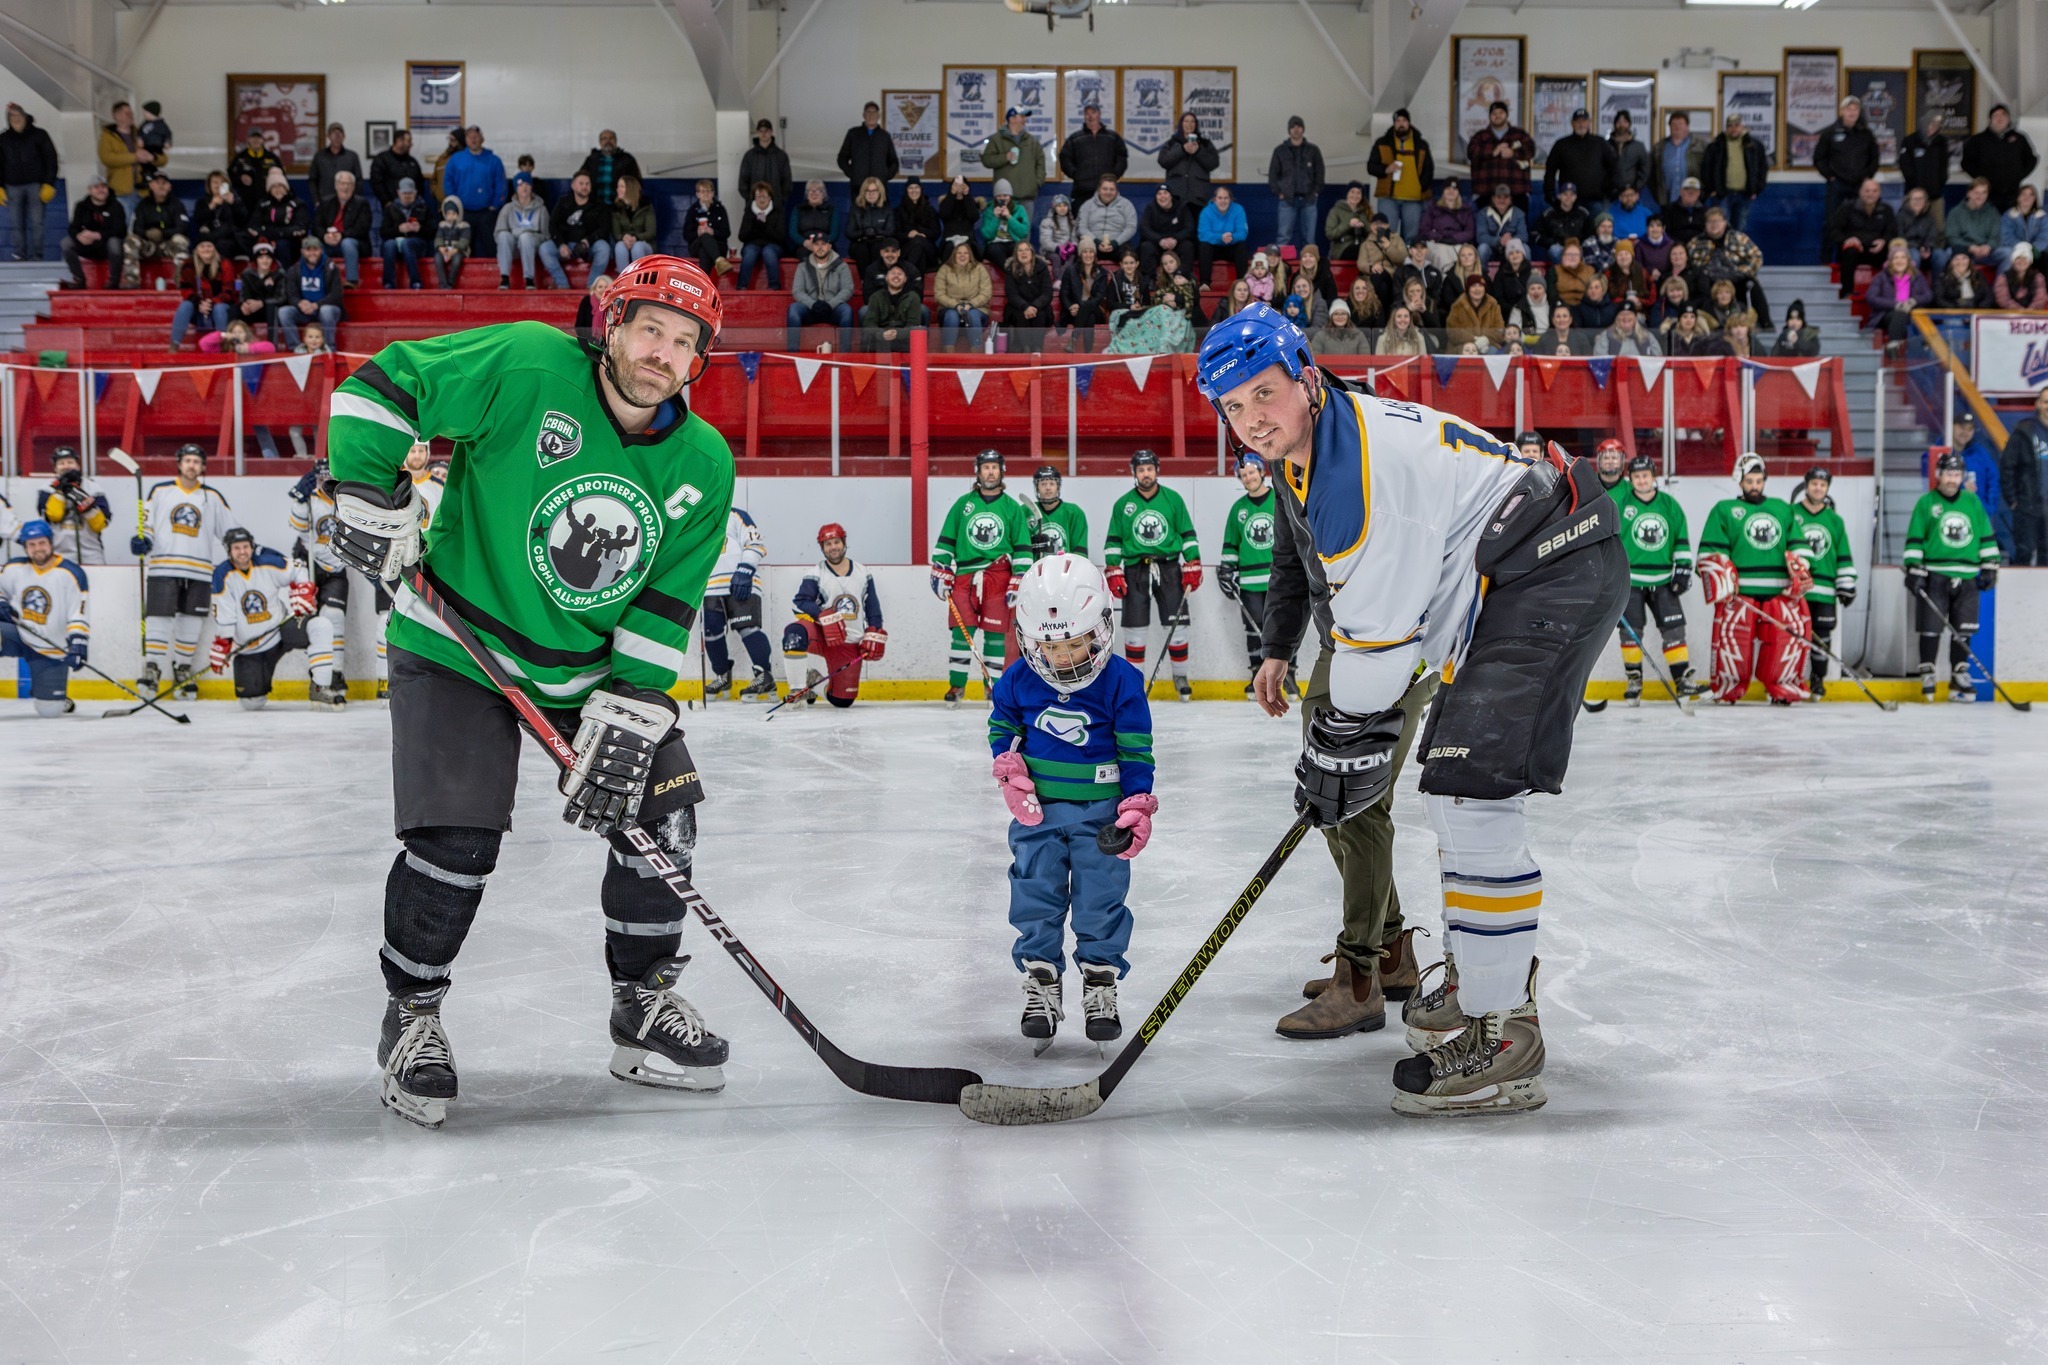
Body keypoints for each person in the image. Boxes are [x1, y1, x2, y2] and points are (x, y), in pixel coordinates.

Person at [323, 258, 733, 1128]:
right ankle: (413, 1012)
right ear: (612, 323)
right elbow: (381, 387)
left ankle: (643, 1001)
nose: (662, 351)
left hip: (588, 675)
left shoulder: (705, 462)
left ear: (698, 360)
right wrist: (364, 484)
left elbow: (665, 602)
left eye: (684, 341)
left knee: (663, 814)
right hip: (457, 646)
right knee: (456, 841)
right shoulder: (527, 365)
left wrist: (633, 703)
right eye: (650, 328)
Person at [1198, 303, 1627, 1112]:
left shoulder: (1349, 474)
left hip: (1549, 569)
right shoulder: (1319, 447)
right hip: (1514, 577)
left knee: (1472, 795)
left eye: (1264, 393)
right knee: (1452, 790)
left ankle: (1505, 1032)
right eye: (1233, 407)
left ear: (1306, 379)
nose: (1253, 419)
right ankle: (1480, 982)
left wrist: (1333, 750)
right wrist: (1338, 746)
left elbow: (1376, 656)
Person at [989, 554, 1156, 1046]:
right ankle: (1042, 977)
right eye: (1050, 645)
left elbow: (1135, 747)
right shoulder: (1018, 680)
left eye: (1075, 642)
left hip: (1103, 816)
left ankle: (1100, 981)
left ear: (1099, 630)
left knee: (1101, 898)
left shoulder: (1122, 680)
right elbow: (1004, 727)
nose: (1063, 657)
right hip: (1038, 815)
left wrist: (1137, 802)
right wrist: (1009, 767)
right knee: (1034, 891)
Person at [1697, 452, 1812, 705]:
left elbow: (1798, 546)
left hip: (1779, 590)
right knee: (1732, 642)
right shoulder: (1724, 510)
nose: (1754, 486)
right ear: (1739, 480)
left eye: (1759, 481)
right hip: (1740, 593)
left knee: (1786, 642)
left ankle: (1783, 688)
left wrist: (1800, 565)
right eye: (1749, 481)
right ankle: (1728, 688)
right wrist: (1721, 575)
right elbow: (1712, 551)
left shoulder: (1782, 508)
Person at [931, 450, 1035, 705]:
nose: (990, 472)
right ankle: (957, 686)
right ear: (978, 471)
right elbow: (946, 540)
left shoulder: (1011, 507)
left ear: (1002, 471)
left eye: (994, 467)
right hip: (965, 576)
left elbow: (1022, 547)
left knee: (995, 634)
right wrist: (941, 568)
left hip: (998, 576)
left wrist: (1018, 577)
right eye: (985, 467)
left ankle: (994, 688)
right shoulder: (963, 504)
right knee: (960, 631)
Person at [133, 443, 232, 698]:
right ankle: (153, 668)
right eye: (187, 460)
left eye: (196, 461)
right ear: (179, 463)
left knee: (192, 622)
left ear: (203, 467)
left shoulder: (212, 497)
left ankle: (182, 668)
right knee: (158, 619)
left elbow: (230, 534)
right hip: (163, 568)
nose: (191, 465)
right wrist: (142, 540)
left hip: (199, 571)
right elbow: (146, 526)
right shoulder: (160, 491)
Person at [1103, 449, 1200, 703]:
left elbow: (1188, 534)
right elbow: (1113, 541)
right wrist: (1113, 568)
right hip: (1135, 570)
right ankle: (1135, 682)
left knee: (1178, 627)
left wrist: (1193, 562)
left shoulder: (1173, 500)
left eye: (1149, 468)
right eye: (1141, 469)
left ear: (1156, 470)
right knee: (1134, 631)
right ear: (1134, 472)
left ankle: (1181, 678)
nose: (1146, 473)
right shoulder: (1123, 504)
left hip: (1169, 569)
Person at [1905, 451, 2002, 702]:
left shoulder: (1972, 502)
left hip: (1968, 576)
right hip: (1935, 574)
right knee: (1930, 627)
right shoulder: (1926, 503)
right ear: (1939, 475)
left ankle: (1959, 675)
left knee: (1963, 629)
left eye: (1957, 474)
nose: (1952, 479)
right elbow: (1915, 538)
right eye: (1948, 473)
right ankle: (1928, 671)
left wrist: (1990, 565)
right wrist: (1914, 569)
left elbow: (1985, 536)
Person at [206, 527, 336, 711]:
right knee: (251, 703)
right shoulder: (222, 574)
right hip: (251, 648)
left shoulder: (267, 562)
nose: (242, 552)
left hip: (280, 630)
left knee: (320, 626)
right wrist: (224, 641)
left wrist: (303, 589)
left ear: (252, 547)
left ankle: (320, 687)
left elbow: (298, 568)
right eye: (237, 548)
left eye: (245, 546)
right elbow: (225, 613)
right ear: (228, 550)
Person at [1611, 453, 1702, 703]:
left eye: (1646, 476)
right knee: (1631, 634)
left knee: (1674, 630)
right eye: (1637, 476)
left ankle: (1682, 680)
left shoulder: (1669, 505)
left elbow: (1680, 539)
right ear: (1631, 479)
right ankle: (1634, 680)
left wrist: (1683, 568)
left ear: (1654, 477)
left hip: (1663, 579)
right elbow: (1612, 543)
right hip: (1631, 581)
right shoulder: (1621, 503)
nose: (1642, 480)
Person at [779, 523, 885, 708]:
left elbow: (873, 608)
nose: (833, 547)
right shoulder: (816, 573)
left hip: (848, 641)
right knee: (794, 635)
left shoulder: (862, 572)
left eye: (836, 542)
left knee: (841, 701)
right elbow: (802, 600)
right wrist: (823, 616)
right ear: (822, 548)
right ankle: (797, 691)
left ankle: (813, 681)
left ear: (844, 543)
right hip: (823, 635)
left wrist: (873, 631)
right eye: (828, 544)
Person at [0, 519, 89, 716]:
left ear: (50, 542)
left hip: (50, 648)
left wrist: (78, 643)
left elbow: (78, 613)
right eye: (31, 545)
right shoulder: (13, 568)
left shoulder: (71, 573)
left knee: (50, 711)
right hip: (18, 635)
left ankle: (50, 692)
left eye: (41, 543)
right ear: (25, 547)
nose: (37, 549)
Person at [1787, 466, 1857, 701]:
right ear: (1806, 485)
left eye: (1823, 485)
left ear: (1827, 489)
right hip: (1797, 589)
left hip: (1825, 589)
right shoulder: (1790, 514)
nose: (1818, 488)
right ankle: (1789, 677)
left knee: (1822, 636)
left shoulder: (1834, 521)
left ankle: (1818, 679)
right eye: (1814, 483)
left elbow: (1842, 554)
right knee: (1792, 635)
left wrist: (1846, 583)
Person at [1216, 452, 1281, 694]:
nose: (1248, 477)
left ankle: (1288, 674)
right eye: (1243, 474)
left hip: (1280, 579)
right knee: (1254, 629)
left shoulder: (1280, 499)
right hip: (1250, 582)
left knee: (1283, 626)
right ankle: (1257, 673)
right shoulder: (1238, 509)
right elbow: (1231, 544)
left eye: (1251, 472)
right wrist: (1226, 570)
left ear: (1262, 472)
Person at [1947, 408, 2014, 559]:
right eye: (1961, 427)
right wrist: (1962, 488)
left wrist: (1989, 508)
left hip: (1980, 515)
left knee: (1982, 556)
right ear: (1951, 426)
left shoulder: (1980, 453)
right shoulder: (1942, 453)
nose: (1965, 432)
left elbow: (1994, 480)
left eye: (1970, 429)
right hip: (1952, 516)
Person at [1694, 205, 1772, 327]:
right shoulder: (1697, 242)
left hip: (1736, 279)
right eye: (1710, 221)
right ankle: (1710, 327)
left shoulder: (1738, 237)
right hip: (1710, 281)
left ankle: (1766, 323)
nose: (1714, 224)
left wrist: (1741, 272)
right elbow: (1691, 263)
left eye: (1717, 221)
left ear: (1724, 223)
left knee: (1752, 285)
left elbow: (1757, 256)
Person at [2, 103, 60, 263]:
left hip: (36, 185)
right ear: (8, 119)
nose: (16, 119)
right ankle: (19, 255)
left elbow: (51, 159)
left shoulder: (40, 135)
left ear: (25, 116)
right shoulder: (3, 139)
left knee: (37, 223)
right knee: (15, 224)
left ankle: (37, 256)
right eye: (12, 116)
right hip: (12, 187)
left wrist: (49, 183)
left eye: (18, 115)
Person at [1813, 97, 1880, 229]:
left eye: (1855, 109)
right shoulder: (1829, 133)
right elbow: (1819, 158)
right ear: (1842, 111)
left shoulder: (1867, 134)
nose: (1852, 112)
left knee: (1860, 222)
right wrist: (1830, 176)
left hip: (1860, 186)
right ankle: (1828, 250)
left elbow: (1875, 158)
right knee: (1832, 222)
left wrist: (1867, 177)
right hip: (1837, 185)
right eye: (1849, 109)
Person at [1825, 177, 1897, 300]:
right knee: (1849, 252)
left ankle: (1892, 293)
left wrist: (1884, 240)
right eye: (1867, 191)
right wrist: (1847, 239)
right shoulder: (1847, 208)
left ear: (1879, 193)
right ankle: (1847, 292)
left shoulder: (1886, 210)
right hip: (1855, 250)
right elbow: (1833, 230)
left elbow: (1893, 232)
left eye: (1874, 191)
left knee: (1896, 254)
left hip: (1877, 250)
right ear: (1860, 192)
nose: (1871, 194)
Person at [1367, 108, 1431, 241]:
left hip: (1414, 198)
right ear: (1394, 124)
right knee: (1385, 235)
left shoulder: (1421, 144)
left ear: (1409, 123)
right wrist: (1386, 169)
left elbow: (1429, 169)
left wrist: (1421, 187)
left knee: (1412, 238)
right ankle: (1386, 261)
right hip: (1388, 198)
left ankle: (1410, 262)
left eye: (1404, 120)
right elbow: (1371, 167)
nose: (1401, 123)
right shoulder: (1382, 142)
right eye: (1398, 121)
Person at [38, 447, 111, 564]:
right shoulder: (46, 489)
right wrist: (61, 490)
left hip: (91, 553)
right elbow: (53, 517)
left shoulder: (94, 488)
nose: (66, 466)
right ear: (55, 468)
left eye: (70, 462)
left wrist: (87, 508)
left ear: (78, 465)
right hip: (58, 553)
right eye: (61, 463)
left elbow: (101, 525)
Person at [1961, 105, 2038, 212]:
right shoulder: (1978, 140)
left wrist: (2018, 175)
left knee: (2011, 225)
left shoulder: (2020, 139)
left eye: (2003, 115)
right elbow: (1966, 163)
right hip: (1987, 196)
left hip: (2012, 194)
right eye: (1996, 116)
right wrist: (1981, 180)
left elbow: (2031, 159)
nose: (1999, 118)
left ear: (2008, 119)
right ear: (1990, 120)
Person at [786, 231, 854, 352]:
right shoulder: (803, 266)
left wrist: (831, 304)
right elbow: (797, 291)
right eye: (817, 244)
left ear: (829, 246)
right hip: (811, 308)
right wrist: (813, 304)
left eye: (823, 244)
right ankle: (792, 355)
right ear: (812, 247)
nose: (820, 247)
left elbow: (847, 289)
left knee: (846, 311)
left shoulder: (841, 265)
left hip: (833, 309)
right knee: (793, 310)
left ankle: (845, 355)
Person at [2002, 386, 2048, 564]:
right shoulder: (2024, 431)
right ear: (2037, 404)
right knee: (2024, 552)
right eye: (2045, 402)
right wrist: (2012, 499)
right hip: (2027, 505)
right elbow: (2007, 466)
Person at [1701, 114, 1769, 234]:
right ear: (1726, 128)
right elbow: (1706, 169)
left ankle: (1736, 253)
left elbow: (1763, 168)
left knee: (1740, 231)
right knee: (1719, 231)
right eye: (1730, 126)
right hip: (1722, 195)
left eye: (1736, 125)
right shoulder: (1715, 146)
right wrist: (1711, 189)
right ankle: (1721, 253)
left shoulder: (1754, 146)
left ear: (1742, 126)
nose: (1733, 128)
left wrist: (1755, 189)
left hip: (1745, 195)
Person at [442, 126, 506, 251]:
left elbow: (501, 184)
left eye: (476, 137)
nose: (473, 140)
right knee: (462, 249)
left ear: (482, 139)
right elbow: (448, 181)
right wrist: (454, 204)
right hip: (462, 213)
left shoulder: (494, 161)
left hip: (486, 213)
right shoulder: (455, 159)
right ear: (465, 140)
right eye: (470, 137)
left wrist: (495, 204)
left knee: (489, 248)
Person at [1268, 116, 1326, 250]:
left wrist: (1316, 191)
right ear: (1289, 130)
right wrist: (1279, 193)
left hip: (1309, 199)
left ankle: (1309, 270)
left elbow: (1320, 172)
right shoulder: (1280, 150)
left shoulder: (1313, 150)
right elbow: (1272, 175)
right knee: (1283, 237)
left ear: (1303, 129)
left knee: (1309, 239)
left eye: (1299, 126)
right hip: (1287, 199)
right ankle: (1279, 269)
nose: (1296, 130)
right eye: (1293, 127)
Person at [981, 107, 1047, 224]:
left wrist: (1036, 183)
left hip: (1027, 197)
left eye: (1025, 117)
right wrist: (1004, 157)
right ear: (1011, 118)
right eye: (1021, 116)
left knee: (1024, 234)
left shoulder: (1032, 141)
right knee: (1004, 234)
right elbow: (986, 160)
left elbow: (1040, 163)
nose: (1024, 120)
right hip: (1004, 199)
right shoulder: (997, 139)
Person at [276, 235, 343, 349]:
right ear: (302, 251)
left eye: (315, 249)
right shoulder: (294, 269)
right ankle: (296, 348)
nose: (312, 253)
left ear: (321, 250)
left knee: (326, 311)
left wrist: (316, 305)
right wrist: (300, 303)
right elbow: (291, 294)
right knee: (284, 312)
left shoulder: (331, 268)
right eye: (308, 250)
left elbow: (336, 295)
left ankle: (328, 347)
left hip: (326, 309)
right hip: (304, 310)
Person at [1467, 100, 1535, 211]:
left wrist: (1513, 153)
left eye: (1501, 113)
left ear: (1507, 115)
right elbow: (1471, 152)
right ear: (1489, 116)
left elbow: (1531, 150)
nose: (1497, 116)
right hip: (1487, 193)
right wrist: (1493, 151)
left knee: (1517, 227)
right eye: (1494, 113)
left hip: (1516, 193)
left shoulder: (1519, 134)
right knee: (1486, 227)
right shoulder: (1480, 136)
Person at [1866, 239, 1932, 353]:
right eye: (1896, 258)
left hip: (1911, 312)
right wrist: (1895, 304)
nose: (1899, 261)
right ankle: (1896, 346)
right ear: (1890, 261)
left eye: (1903, 257)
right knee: (1900, 314)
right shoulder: (1881, 277)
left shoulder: (1917, 275)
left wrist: (1913, 301)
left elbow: (1928, 295)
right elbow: (1871, 297)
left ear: (1908, 260)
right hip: (1886, 315)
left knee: (1914, 315)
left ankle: (1899, 347)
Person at [1545, 108, 1616, 214]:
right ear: (1572, 124)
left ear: (1589, 123)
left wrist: (1610, 188)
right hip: (1569, 202)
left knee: (1597, 230)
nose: (1581, 124)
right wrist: (1549, 191)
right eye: (1578, 121)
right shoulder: (1561, 144)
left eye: (1584, 121)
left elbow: (1613, 167)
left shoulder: (1600, 143)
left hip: (1596, 200)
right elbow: (1550, 170)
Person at [59, 176, 125, 289]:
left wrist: (97, 235)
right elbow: (73, 228)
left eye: (103, 187)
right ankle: (79, 280)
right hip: (87, 245)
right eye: (96, 187)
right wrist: (79, 236)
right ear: (89, 190)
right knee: (66, 243)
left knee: (115, 243)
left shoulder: (116, 206)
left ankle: (114, 281)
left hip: (106, 246)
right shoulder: (81, 206)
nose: (101, 190)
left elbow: (121, 230)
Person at [546, 172, 612, 283]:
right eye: (581, 183)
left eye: (587, 184)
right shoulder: (563, 203)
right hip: (566, 245)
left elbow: (604, 229)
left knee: (604, 248)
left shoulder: (598, 204)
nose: (584, 186)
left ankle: (592, 286)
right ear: (573, 185)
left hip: (589, 245)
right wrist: (561, 244)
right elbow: (553, 225)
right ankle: (562, 285)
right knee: (545, 248)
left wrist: (587, 241)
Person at [170, 238, 234, 348]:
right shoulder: (188, 265)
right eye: (202, 246)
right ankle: (174, 345)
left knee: (219, 309)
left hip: (219, 307)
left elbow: (228, 291)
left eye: (209, 246)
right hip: (198, 309)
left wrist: (211, 302)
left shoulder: (224, 264)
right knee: (185, 305)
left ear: (214, 249)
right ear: (196, 250)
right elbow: (185, 290)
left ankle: (224, 347)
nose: (206, 249)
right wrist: (199, 303)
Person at [312, 169, 371, 287]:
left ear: (353, 186)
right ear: (336, 185)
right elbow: (316, 225)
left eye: (349, 184)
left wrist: (342, 235)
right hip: (329, 241)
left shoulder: (362, 203)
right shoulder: (326, 202)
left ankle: (352, 281)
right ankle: (318, 281)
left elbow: (362, 228)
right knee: (313, 245)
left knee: (347, 243)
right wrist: (324, 236)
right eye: (342, 183)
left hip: (354, 243)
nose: (345, 187)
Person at [1059, 102, 1129, 202]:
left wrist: (1113, 176)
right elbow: (1065, 158)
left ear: (1099, 114)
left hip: (1107, 191)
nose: (1090, 116)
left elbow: (1122, 157)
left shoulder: (1112, 137)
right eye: (1087, 113)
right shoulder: (1075, 138)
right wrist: (1076, 174)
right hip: (1082, 191)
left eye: (1093, 112)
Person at [97, 101, 154, 215]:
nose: (131, 115)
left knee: (145, 225)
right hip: (121, 191)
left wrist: (152, 157)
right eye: (127, 113)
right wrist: (135, 157)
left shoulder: (141, 134)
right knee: (122, 225)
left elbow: (160, 156)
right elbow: (107, 158)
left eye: (131, 113)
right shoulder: (107, 137)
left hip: (143, 189)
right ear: (116, 116)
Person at [1899, 110, 1952, 232]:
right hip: (1913, 196)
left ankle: (1937, 251)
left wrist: (1938, 185)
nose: (1932, 127)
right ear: (1924, 123)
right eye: (1930, 123)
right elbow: (1905, 167)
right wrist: (1916, 190)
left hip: (1935, 196)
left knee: (1938, 229)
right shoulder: (1910, 141)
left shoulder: (1942, 143)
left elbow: (1944, 168)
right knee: (1909, 228)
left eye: (1937, 125)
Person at [936, 239, 992, 352]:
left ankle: (976, 352)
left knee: (973, 315)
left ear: (970, 255)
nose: (962, 256)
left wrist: (971, 304)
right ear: (954, 255)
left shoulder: (980, 269)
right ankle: (948, 354)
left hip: (977, 308)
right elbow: (939, 294)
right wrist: (956, 305)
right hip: (950, 308)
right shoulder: (944, 269)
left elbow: (986, 293)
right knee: (951, 316)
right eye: (959, 253)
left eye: (965, 253)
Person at [1022, 465, 1088, 559]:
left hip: (1065, 570)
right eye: (1043, 484)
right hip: (1036, 570)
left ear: (1058, 486)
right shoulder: (1025, 511)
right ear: (1037, 487)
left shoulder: (1074, 513)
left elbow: (1080, 552)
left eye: (1052, 483)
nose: (1048, 488)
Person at [1160, 111, 1221, 210]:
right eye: (1186, 121)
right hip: (1176, 196)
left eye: (1192, 121)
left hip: (1198, 198)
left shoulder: (1205, 144)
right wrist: (1183, 150)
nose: (1189, 124)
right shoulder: (1171, 143)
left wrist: (1198, 152)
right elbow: (1163, 161)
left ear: (1196, 124)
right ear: (1181, 124)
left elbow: (1213, 163)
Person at [1058, 238, 1111, 351]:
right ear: (1080, 254)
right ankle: (1088, 353)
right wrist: (1070, 306)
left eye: (1091, 251)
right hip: (1073, 312)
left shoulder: (1102, 273)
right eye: (1085, 252)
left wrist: (1081, 306)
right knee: (1089, 318)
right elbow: (1064, 293)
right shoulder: (1071, 270)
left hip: (1096, 309)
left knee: (1090, 312)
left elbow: (1099, 298)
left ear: (1095, 254)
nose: (1088, 255)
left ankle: (1073, 339)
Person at [1945, 176, 2003, 275]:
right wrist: (1970, 247)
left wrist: (1988, 247)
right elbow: (1952, 237)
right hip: (1964, 251)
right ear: (1969, 193)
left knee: (2008, 254)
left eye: (1984, 193)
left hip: (1987, 252)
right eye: (1977, 193)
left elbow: (1996, 236)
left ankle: (2000, 287)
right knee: (1947, 254)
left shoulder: (1993, 212)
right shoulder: (1956, 212)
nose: (1980, 196)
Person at [379, 179, 430, 289]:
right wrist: (399, 229)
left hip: (416, 243)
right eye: (405, 193)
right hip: (395, 242)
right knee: (389, 245)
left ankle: (415, 282)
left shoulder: (424, 208)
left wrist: (419, 229)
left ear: (415, 193)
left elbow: (432, 232)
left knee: (407, 243)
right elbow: (383, 232)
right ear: (398, 193)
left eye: (410, 193)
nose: (407, 196)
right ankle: (388, 283)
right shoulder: (390, 209)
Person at [861, 262, 922, 354]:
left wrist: (897, 333)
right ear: (886, 277)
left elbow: (913, 325)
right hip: (881, 340)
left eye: (900, 274)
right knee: (871, 335)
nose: (896, 276)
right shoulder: (876, 296)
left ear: (905, 279)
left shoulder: (913, 297)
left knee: (919, 330)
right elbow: (869, 324)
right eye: (893, 273)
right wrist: (882, 334)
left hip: (903, 340)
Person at [1138, 182, 1197, 275]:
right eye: (1159, 194)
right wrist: (1159, 240)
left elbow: (1189, 228)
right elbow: (1145, 228)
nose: (1162, 196)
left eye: (1165, 193)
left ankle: (1184, 278)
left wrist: (1176, 239)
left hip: (1176, 243)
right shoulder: (1150, 208)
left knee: (1187, 246)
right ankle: (1148, 281)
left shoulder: (1182, 207)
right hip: (1157, 244)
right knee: (1146, 247)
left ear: (1171, 196)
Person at [839, 101, 901, 189]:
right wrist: (852, 174)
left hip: (879, 187)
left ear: (878, 116)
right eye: (868, 112)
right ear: (864, 115)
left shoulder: (885, 136)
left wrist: (886, 176)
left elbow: (894, 161)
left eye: (874, 112)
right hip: (858, 186)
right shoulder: (853, 133)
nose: (871, 115)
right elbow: (842, 158)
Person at [736, 118, 793, 214]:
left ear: (771, 132)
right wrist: (752, 200)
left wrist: (780, 200)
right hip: (755, 208)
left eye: (766, 131)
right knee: (756, 229)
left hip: (776, 208)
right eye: (761, 131)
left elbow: (787, 181)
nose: (764, 134)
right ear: (757, 133)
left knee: (775, 229)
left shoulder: (781, 156)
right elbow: (743, 181)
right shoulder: (749, 156)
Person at [1197, 185, 1250, 283]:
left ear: (1230, 199)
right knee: (1203, 246)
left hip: (1231, 246)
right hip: (1213, 248)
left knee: (1242, 246)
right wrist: (1220, 237)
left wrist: (1231, 237)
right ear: (1214, 199)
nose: (1223, 201)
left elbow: (1243, 233)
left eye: (1226, 198)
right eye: (1220, 198)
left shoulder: (1238, 210)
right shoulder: (1206, 212)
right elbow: (1203, 235)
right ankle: (1205, 283)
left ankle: (1242, 282)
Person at [577, 130, 642, 208]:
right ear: (600, 142)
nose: (608, 141)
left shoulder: (627, 160)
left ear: (616, 141)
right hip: (595, 208)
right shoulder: (591, 160)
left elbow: (636, 183)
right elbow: (579, 181)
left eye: (611, 138)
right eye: (604, 139)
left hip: (620, 208)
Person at [1653, 110, 1704, 208]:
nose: (1677, 127)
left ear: (1687, 126)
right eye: (1674, 124)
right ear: (1669, 126)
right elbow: (1653, 176)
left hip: (1694, 200)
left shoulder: (1700, 146)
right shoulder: (1659, 148)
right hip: (1666, 201)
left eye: (1680, 124)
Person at [1077, 175, 1136, 259]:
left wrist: (1116, 242)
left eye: (1112, 189)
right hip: (1093, 244)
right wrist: (1096, 242)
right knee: (1081, 251)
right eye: (1105, 189)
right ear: (1099, 189)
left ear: (1116, 190)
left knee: (1130, 256)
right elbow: (1081, 228)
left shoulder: (1126, 205)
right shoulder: (1087, 205)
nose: (1108, 192)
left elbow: (1131, 228)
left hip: (1118, 244)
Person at [844, 175, 892, 275]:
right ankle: (864, 281)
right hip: (860, 242)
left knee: (877, 248)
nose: (871, 194)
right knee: (862, 249)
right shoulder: (855, 209)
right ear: (863, 192)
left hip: (879, 242)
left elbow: (891, 231)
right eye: (868, 191)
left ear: (880, 192)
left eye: (874, 190)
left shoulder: (886, 209)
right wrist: (864, 232)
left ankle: (877, 279)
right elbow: (849, 232)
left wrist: (876, 232)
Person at [1534, 183, 1591, 263]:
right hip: (1558, 248)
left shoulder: (1583, 213)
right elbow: (1535, 234)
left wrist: (1578, 244)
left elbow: (1590, 234)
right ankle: (1560, 273)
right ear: (1559, 196)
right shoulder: (1549, 214)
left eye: (1572, 195)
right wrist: (1553, 242)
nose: (1568, 197)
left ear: (1576, 197)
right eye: (1565, 194)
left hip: (1578, 247)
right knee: (1554, 250)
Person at [893, 177, 941, 272]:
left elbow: (936, 233)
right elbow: (895, 234)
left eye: (916, 187)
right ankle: (913, 278)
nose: (914, 190)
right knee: (918, 250)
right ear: (906, 190)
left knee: (919, 241)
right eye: (911, 188)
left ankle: (906, 273)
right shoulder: (898, 211)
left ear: (921, 190)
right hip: (907, 249)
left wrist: (918, 232)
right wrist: (908, 235)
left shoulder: (930, 210)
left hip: (929, 250)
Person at [1475, 183, 1527, 270]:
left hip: (1512, 248)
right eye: (1499, 197)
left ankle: (1525, 277)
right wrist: (1499, 241)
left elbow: (1524, 236)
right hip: (1492, 249)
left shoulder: (1519, 214)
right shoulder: (1483, 214)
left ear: (1510, 199)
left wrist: (1510, 241)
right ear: (1493, 199)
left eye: (1505, 197)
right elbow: (1481, 237)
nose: (1502, 200)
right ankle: (1482, 277)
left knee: (1525, 248)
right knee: (1482, 248)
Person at [1997, 183, 2048, 272]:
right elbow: (2006, 236)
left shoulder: (2042, 216)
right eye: (2023, 194)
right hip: (2015, 250)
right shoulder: (2008, 215)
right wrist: (2023, 249)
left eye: (2030, 195)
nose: (2026, 197)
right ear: (2018, 197)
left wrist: (2033, 249)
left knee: (2044, 258)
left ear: (2034, 198)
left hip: (2036, 251)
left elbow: (2045, 236)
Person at [979, 179, 1028, 266]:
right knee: (994, 250)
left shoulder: (1019, 209)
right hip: (995, 244)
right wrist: (995, 218)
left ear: (1010, 196)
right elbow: (987, 235)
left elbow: (1023, 232)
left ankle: (1012, 273)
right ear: (995, 197)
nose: (1002, 198)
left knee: (1020, 250)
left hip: (1013, 242)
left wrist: (1009, 217)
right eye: (999, 196)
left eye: (1005, 195)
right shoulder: (989, 210)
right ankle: (1009, 272)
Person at [1898, 185, 1945, 273]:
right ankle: (1913, 285)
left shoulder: (1930, 217)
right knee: (1914, 255)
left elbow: (1933, 236)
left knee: (1940, 255)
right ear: (1909, 201)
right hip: (1909, 249)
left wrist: (1927, 247)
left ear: (1925, 201)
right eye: (1915, 199)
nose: (1918, 202)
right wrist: (1917, 248)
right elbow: (1900, 238)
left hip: (1926, 250)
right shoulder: (1901, 216)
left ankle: (1938, 285)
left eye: (1921, 199)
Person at [1608, 110, 1651, 199]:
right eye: (1619, 122)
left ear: (1629, 124)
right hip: (1609, 194)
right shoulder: (1606, 145)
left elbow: (1645, 170)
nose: (1622, 125)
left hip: (1631, 194)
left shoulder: (1638, 146)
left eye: (1625, 122)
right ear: (1615, 124)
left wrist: (1635, 188)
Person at [1325, 182, 1373, 260]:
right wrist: (1348, 224)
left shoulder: (1365, 212)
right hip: (1342, 249)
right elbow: (1330, 234)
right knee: (1359, 251)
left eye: (1358, 193)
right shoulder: (1336, 210)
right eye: (1352, 192)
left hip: (1362, 247)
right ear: (1347, 194)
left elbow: (1371, 233)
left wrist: (1363, 225)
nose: (1355, 195)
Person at [432, 196, 470, 289]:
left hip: (458, 250)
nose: (451, 216)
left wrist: (454, 250)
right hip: (444, 250)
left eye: (453, 213)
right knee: (437, 259)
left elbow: (464, 240)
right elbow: (438, 238)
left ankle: (450, 283)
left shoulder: (464, 225)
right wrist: (441, 248)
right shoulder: (442, 225)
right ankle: (443, 284)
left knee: (457, 260)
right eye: (448, 213)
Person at [1037, 193, 1078, 261]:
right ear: (1054, 208)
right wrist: (1057, 248)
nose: (1062, 208)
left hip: (1067, 250)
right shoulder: (1047, 222)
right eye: (1059, 206)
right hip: (1051, 251)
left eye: (1065, 205)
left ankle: (1066, 271)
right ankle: (1058, 272)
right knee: (1057, 258)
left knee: (1073, 258)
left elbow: (1074, 238)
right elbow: (1045, 241)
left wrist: (1073, 246)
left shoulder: (1072, 222)